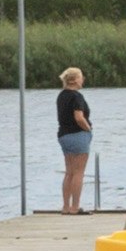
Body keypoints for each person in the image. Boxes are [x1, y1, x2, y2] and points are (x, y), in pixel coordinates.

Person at [54, 66, 94, 212]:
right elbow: (79, 117)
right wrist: (88, 129)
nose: (83, 79)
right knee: (79, 172)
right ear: (75, 79)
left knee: (69, 172)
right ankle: (75, 207)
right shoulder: (76, 96)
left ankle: (65, 206)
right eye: (81, 76)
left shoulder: (61, 95)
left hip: (64, 135)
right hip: (78, 135)